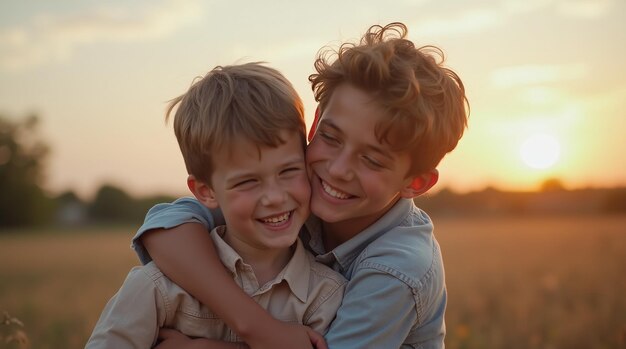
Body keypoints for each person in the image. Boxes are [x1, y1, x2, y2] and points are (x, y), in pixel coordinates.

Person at [135, 22, 469, 349]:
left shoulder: (399, 268)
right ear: (314, 124)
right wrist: (256, 325)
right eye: (331, 137)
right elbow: (164, 229)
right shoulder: (291, 195)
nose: (338, 170)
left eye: (372, 160)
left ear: (417, 182)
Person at [86, 62, 346, 349]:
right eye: (248, 181)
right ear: (206, 192)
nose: (274, 196)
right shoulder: (157, 287)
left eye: (288, 171)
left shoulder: (326, 295)